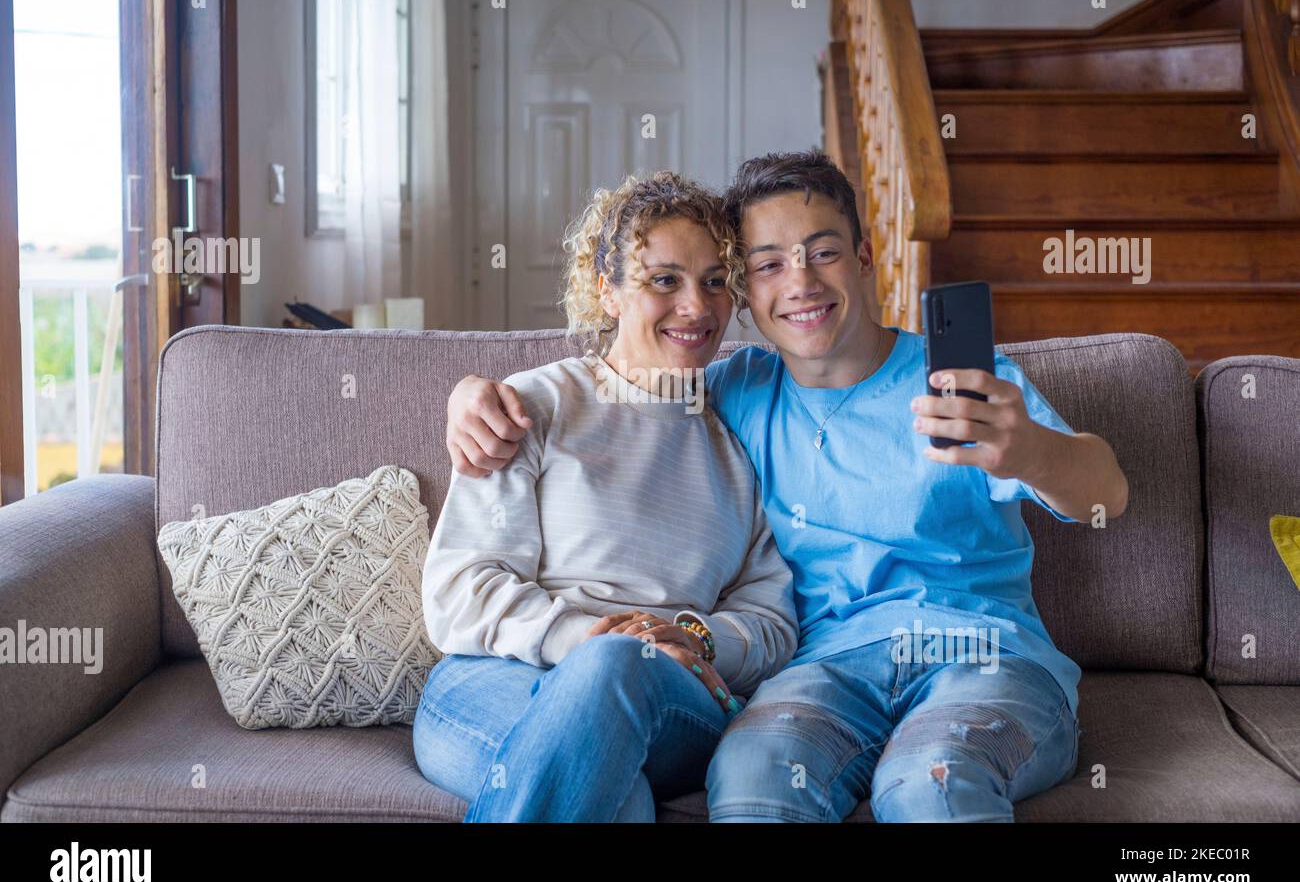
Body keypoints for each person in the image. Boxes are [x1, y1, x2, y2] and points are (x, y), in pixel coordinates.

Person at [444, 150, 1130, 822]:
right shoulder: (733, 393)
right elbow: (631, 389)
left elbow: (1107, 495)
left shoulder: (962, 384)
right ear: (753, 289)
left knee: (930, 782)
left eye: (822, 252)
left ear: (864, 259)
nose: (799, 282)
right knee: (750, 775)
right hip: (826, 674)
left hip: (978, 653)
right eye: (769, 264)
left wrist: (1032, 451)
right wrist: (472, 396)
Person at [413, 171, 799, 822]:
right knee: (619, 799)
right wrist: (588, 640)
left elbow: (773, 622)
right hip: (496, 679)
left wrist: (691, 636)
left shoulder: (739, 438)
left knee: (620, 667)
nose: (697, 308)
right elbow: (460, 588)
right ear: (608, 291)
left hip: (670, 694)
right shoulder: (533, 405)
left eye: (713, 282)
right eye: (664, 280)